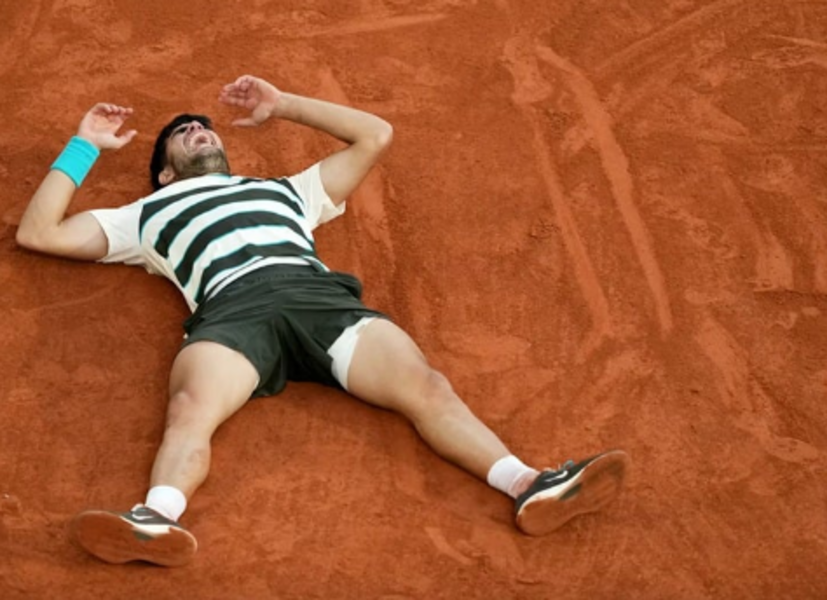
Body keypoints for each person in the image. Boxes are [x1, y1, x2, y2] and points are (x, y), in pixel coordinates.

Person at [16, 74, 629, 567]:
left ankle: (528, 485)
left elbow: (375, 136)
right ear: (166, 171)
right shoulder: (145, 214)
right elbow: (38, 233)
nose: (197, 128)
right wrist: (85, 146)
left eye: (201, 125)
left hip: (320, 300)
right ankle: (156, 519)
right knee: (189, 407)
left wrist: (284, 105)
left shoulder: (285, 192)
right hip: (233, 312)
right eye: (181, 132)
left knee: (427, 387)